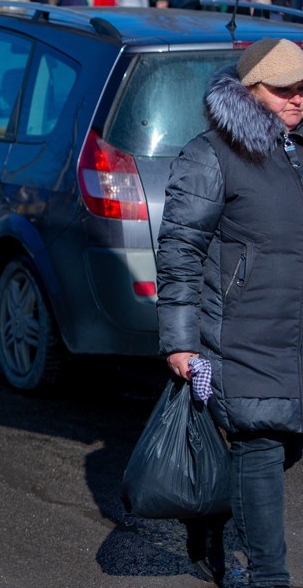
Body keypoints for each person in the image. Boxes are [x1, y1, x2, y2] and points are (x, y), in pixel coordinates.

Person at [157, 37, 303, 588]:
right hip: (240, 331)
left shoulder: (299, 148)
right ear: (249, 91)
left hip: (295, 330)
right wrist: (180, 340)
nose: (296, 99)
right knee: (261, 441)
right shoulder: (210, 155)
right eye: (283, 89)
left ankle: (210, 515)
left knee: (284, 441)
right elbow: (179, 251)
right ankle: (270, 575)